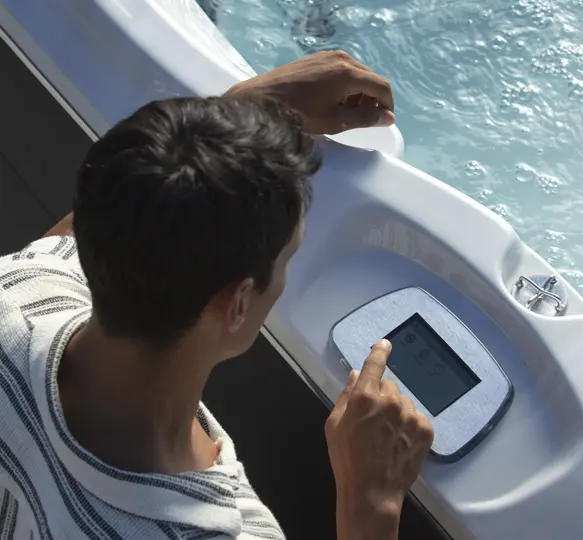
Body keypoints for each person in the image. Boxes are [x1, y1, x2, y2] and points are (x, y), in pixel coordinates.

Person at [0, 50, 434, 539]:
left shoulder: (17, 298)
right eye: (287, 257)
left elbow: (80, 236)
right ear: (238, 303)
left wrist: (230, 120)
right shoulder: (225, 531)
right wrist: (371, 502)